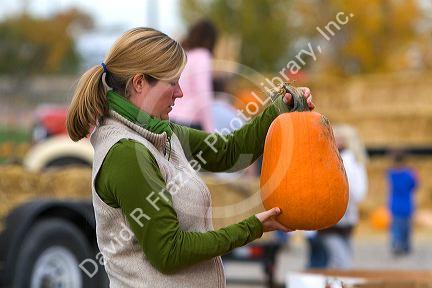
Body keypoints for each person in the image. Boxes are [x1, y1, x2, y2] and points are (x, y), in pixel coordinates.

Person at [66, 27, 315, 287]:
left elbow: (229, 152)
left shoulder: (163, 132)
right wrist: (252, 228)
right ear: (139, 83)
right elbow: (169, 252)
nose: (180, 93)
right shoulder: (126, 152)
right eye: (172, 82)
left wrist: (279, 107)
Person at [315, 125, 368, 269]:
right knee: (343, 258)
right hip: (345, 218)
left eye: (338, 137)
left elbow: (351, 190)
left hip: (335, 219)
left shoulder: (345, 160)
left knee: (342, 262)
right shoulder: (355, 160)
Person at [170, 19, 217, 132]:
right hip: (191, 123)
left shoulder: (183, 55)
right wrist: (210, 130)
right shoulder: (202, 56)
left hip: (172, 118)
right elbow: (203, 95)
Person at [387, 150, 418, 256]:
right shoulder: (409, 174)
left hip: (395, 205)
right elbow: (415, 185)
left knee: (396, 227)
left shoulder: (391, 174)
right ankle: (405, 246)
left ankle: (396, 244)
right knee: (406, 227)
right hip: (407, 205)